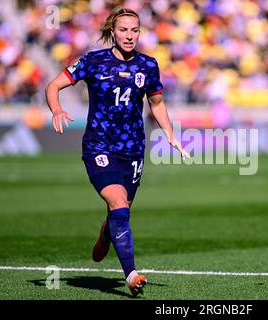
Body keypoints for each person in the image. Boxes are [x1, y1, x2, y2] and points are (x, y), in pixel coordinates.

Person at [45, 6, 189, 297]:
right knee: (119, 203)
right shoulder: (94, 61)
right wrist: (57, 109)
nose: (129, 35)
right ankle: (131, 275)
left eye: (134, 30)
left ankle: (106, 233)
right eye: (123, 30)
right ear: (113, 31)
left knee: (120, 211)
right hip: (99, 146)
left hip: (133, 151)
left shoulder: (148, 65)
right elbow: (54, 85)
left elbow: (156, 103)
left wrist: (170, 134)